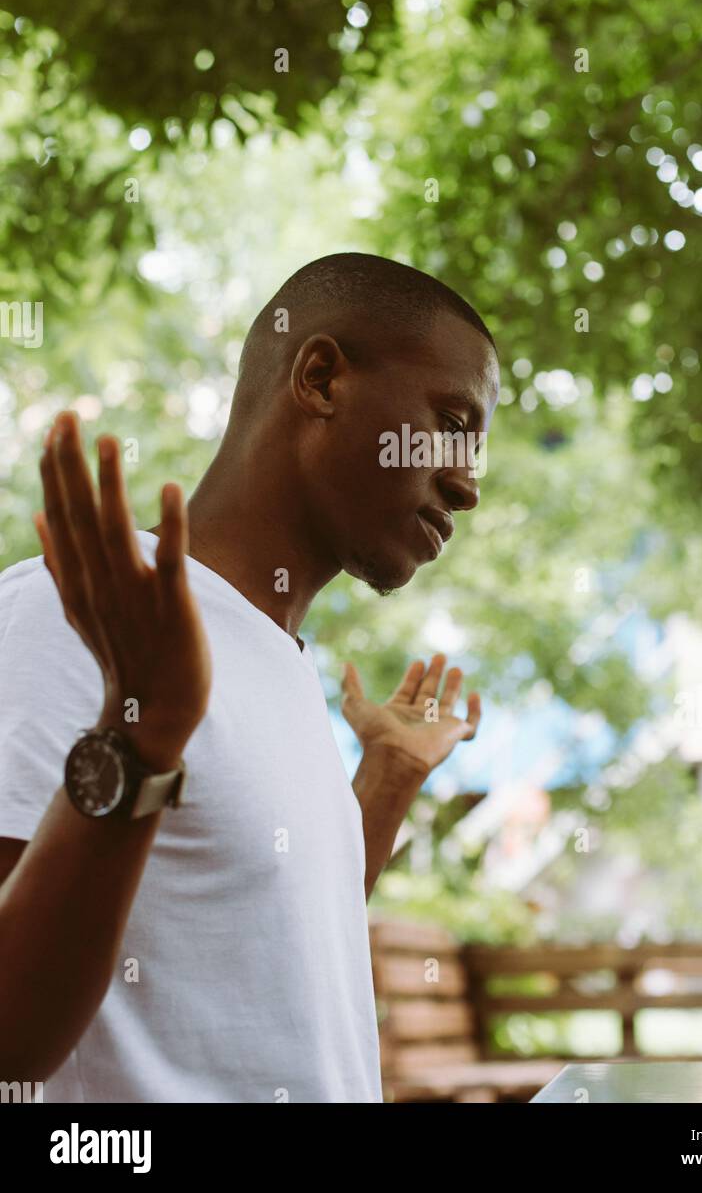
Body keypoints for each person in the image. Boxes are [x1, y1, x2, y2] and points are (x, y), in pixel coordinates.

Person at [0, 252, 499, 1103]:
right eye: (449, 423)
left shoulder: (278, 661)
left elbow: (263, 942)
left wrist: (385, 782)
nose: (465, 482)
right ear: (320, 377)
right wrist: (137, 734)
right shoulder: (69, 615)